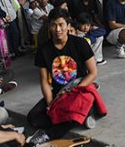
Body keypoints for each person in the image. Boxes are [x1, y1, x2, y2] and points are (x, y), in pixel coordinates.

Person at [28, 8, 104, 139]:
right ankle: (83, 115)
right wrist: (51, 102)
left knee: (70, 111)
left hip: (79, 89)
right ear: (49, 27)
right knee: (34, 119)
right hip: (59, 93)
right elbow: (45, 81)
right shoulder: (43, 50)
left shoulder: (80, 43)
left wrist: (74, 90)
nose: (57, 29)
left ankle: (50, 134)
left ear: (68, 26)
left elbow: (92, 73)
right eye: (54, 25)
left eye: (61, 25)